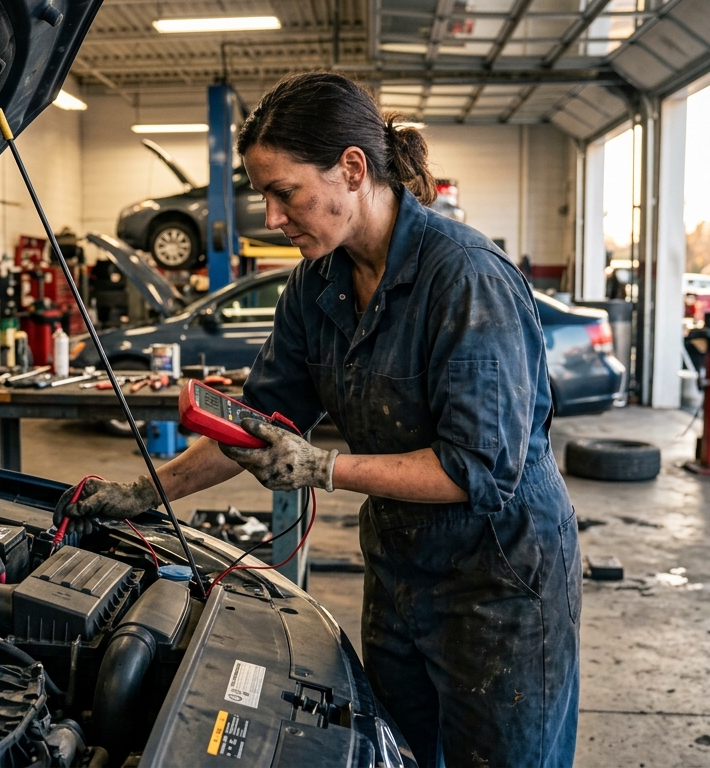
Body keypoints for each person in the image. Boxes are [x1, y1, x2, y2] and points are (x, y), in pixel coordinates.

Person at [56, 72, 580, 767]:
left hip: (501, 579)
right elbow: (259, 423)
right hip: (399, 570)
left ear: (352, 168)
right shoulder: (316, 284)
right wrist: (146, 493)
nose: (272, 217)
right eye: (262, 196)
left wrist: (325, 468)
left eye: (284, 192)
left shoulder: (464, 277)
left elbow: (478, 469)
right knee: (397, 753)